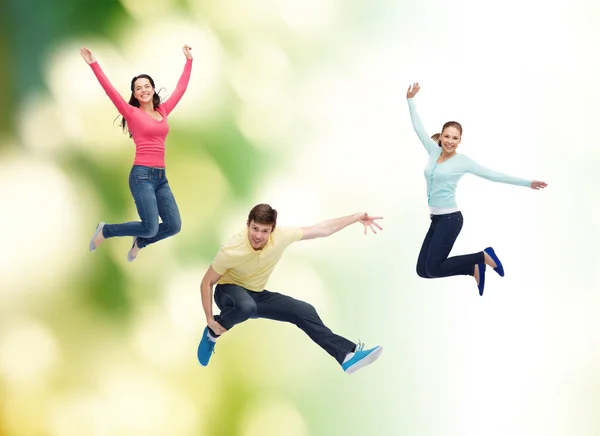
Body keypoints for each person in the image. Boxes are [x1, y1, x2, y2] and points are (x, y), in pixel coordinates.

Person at [197, 204, 384, 374]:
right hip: (228, 292)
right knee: (246, 307)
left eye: (265, 231)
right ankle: (212, 334)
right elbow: (207, 283)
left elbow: (323, 229)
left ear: (273, 230)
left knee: (304, 311)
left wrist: (356, 217)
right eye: (254, 229)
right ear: (248, 224)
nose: (258, 236)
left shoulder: (282, 236)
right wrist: (210, 319)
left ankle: (346, 356)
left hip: (257, 295)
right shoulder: (232, 248)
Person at [406, 82, 548, 295]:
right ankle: (472, 268)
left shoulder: (463, 162)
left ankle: (482, 256)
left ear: (460, 140)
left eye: (455, 138)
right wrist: (410, 100)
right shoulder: (433, 152)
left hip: (450, 220)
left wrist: (528, 183)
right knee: (423, 271)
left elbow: (493, 175)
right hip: (436, 220)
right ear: (441, 136)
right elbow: (418, 128)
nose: (449, 141)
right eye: (446, 136)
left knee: (433, 267)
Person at [80, 44, 193, 262]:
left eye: (147, 86)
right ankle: (106, 230)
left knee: (173, 226)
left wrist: (189, 61)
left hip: (161, 178)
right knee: (150, 227)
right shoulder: (131, 113)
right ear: (134, 93)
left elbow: (181, 89)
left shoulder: (163, 111)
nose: (143, 90)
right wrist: (94, 64)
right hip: (141, 176)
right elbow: (110, 91)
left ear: (152, 88)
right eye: (138, 88)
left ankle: (140, 242)